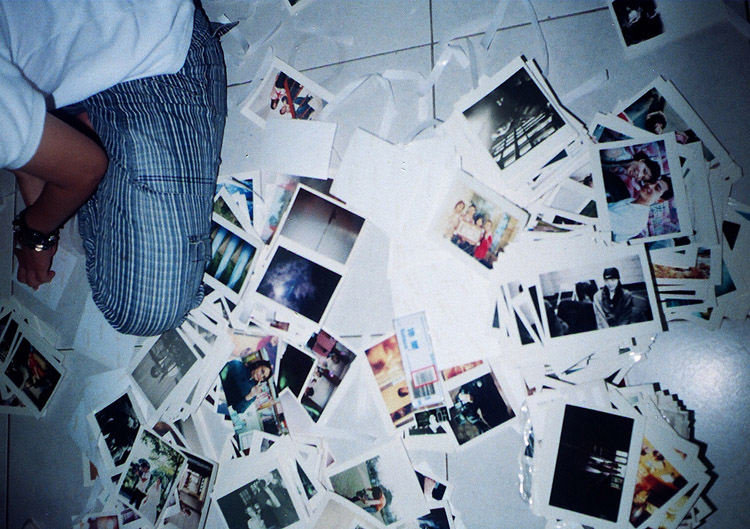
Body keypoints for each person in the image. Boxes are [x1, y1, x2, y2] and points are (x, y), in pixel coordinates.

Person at [1, 1, 230, 336]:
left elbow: (85, 168)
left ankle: (87, 135)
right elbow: (26, 158)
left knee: (147, 308)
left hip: (142, 47)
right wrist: (34, 159)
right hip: (59, 72)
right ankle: (82, 133)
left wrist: (35, 232)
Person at [608, 176, 673, 242]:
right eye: (652, 182)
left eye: (657, 188)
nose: (650, 186)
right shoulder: (631, 200)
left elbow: (606, 222)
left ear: (659, 200)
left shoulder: (638, 219)